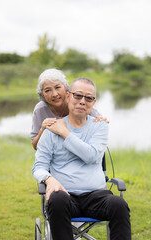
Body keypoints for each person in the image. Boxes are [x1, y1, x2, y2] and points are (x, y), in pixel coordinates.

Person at [32, 77, 131, 240]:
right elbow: (39, 166)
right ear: (68, 96)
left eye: (88, 98)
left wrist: (64, 132)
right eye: (78, 96)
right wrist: (49, 179)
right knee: (56, 199)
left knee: (118, 204)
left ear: (94, 102)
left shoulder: (100, 125)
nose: (82, 101)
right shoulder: (50, 130)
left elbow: (91, 156)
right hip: (65, 196)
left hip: (97, 196)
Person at [31, 68, 109, 150]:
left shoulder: (77, 103)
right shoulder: (40, 110)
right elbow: (36, 147)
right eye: (47, 90)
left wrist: (102, 120)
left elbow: (99, 123)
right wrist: (43, 129)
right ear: (42, 94)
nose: (54, 94)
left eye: (57, 87)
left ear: (65, 87)